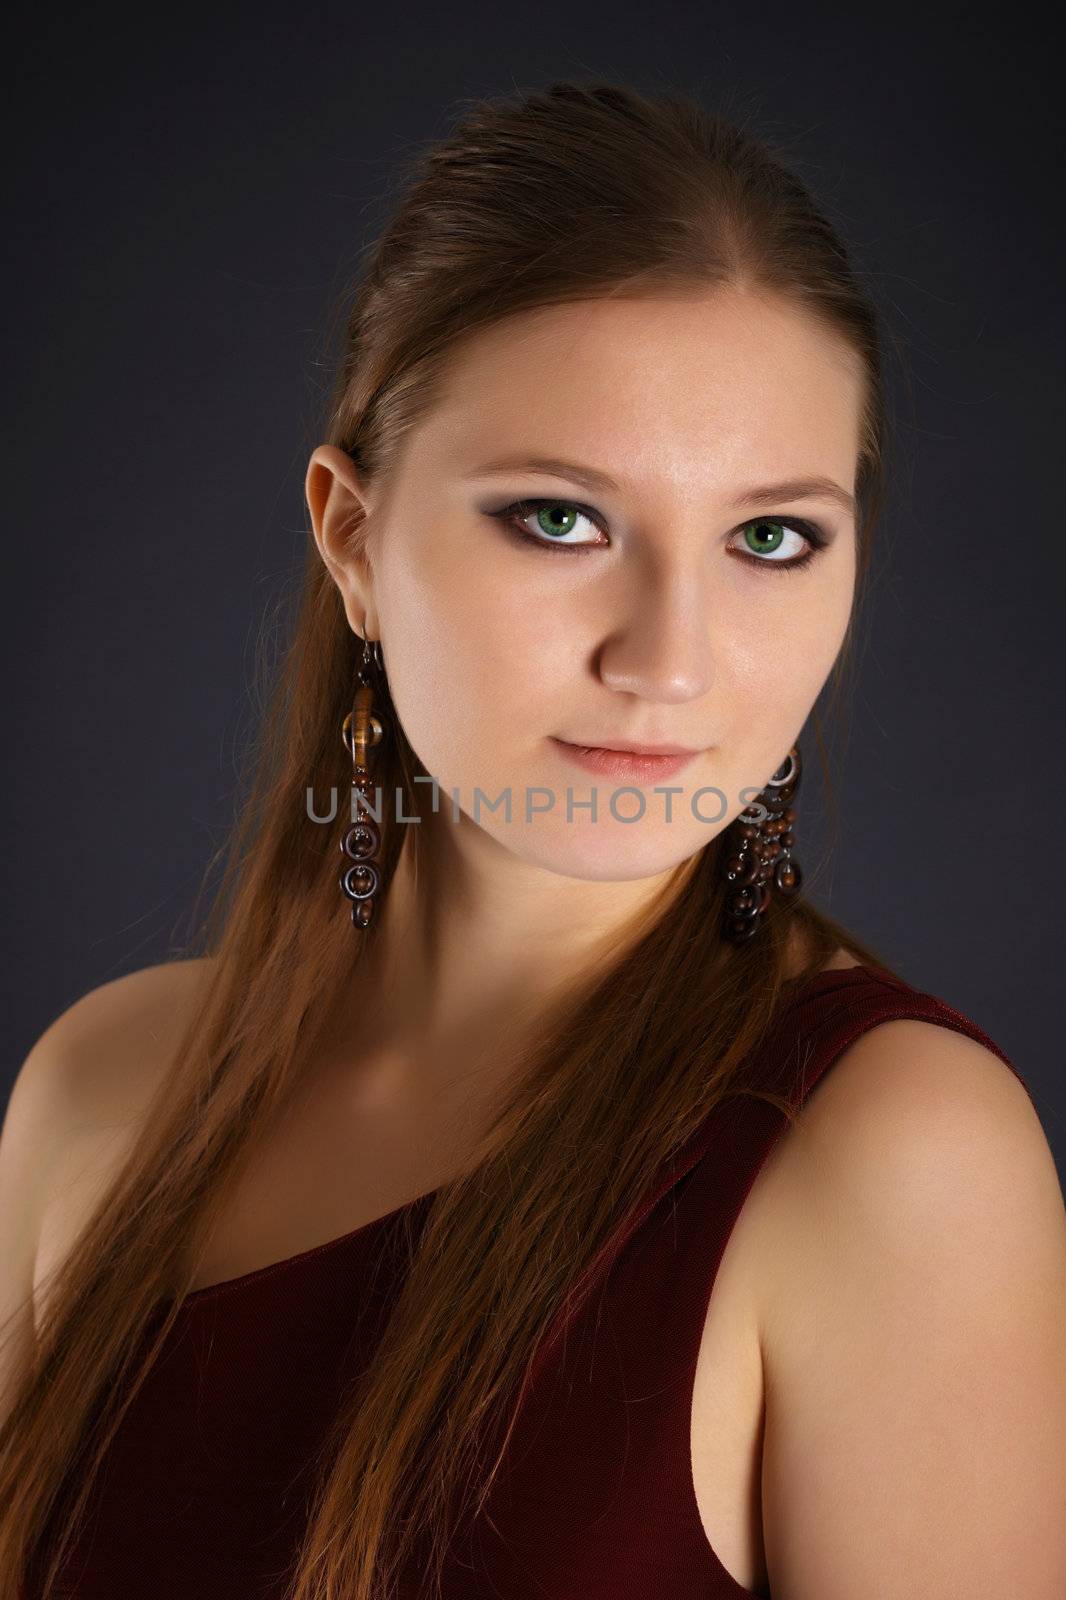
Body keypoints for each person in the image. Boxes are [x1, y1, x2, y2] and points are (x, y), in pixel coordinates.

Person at [1, 79, 1063, 1600]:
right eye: (559, 519)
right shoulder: (101, 1093)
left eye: (769, 537)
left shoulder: (884, 1153)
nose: (669, 658)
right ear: (352, 541)